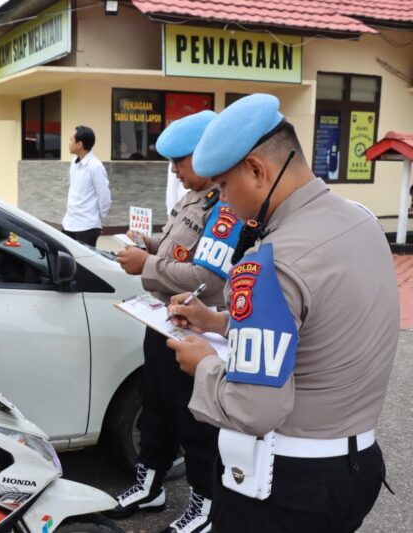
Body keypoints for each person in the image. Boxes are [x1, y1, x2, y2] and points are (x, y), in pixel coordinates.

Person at [166, 94, 398, 532]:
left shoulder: (270, 262)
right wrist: (216, 322)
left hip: (284, 487)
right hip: (357, 468)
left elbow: (254, 409)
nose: (224, 202)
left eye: (224, 186)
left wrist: (206, 365)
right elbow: (318, 329)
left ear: (257, 170)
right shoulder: (362, 221)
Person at [110, 110, 243, 533]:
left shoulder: (226, 208)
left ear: (205, 155)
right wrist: (149, 245)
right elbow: (178, 250)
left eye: (179, 161)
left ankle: (206, 503)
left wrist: (146, 263)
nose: (174, 171)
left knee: (195, 420)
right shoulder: (191, 198)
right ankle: (150, 486)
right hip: (163, 321)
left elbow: (207, 277)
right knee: (157, 409)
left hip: (197, 331)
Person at [62, 125, 111, 247]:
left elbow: (104, 197)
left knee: (83, 259)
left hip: (86, 227)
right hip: (69, 223)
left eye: (71, 139)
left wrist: (98, 220)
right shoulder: (74, 162)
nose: (69, 142)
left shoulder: (95, 166)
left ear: (79, 144)